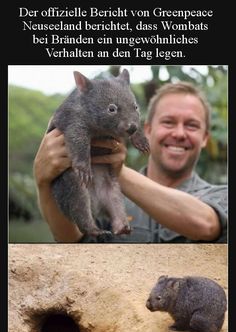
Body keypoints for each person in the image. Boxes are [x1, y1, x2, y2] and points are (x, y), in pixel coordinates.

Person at [34, 81, 227, 243]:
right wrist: (44, 181)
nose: (178, 133)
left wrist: (118, 172)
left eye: (191, 125)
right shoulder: (106, 195)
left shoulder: (220, 196)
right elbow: (74, 243)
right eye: (168, 122)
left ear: (205, 138)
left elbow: (206, 225)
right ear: (148, 129)